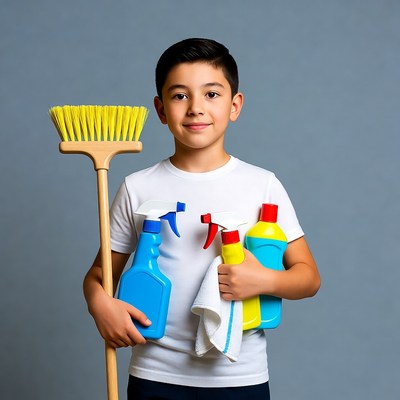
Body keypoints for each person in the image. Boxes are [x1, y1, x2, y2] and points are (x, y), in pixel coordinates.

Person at [83, 38, 320, 400]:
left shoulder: (262, 185)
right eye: (180, 96)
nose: (196, 108)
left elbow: (308, 278)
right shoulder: (138, 187)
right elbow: (100, 276)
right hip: (154, 375)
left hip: (239, 377)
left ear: (235, 105)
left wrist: (263, 279)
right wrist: (100, 304)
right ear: (161, 110)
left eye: (211, 94)